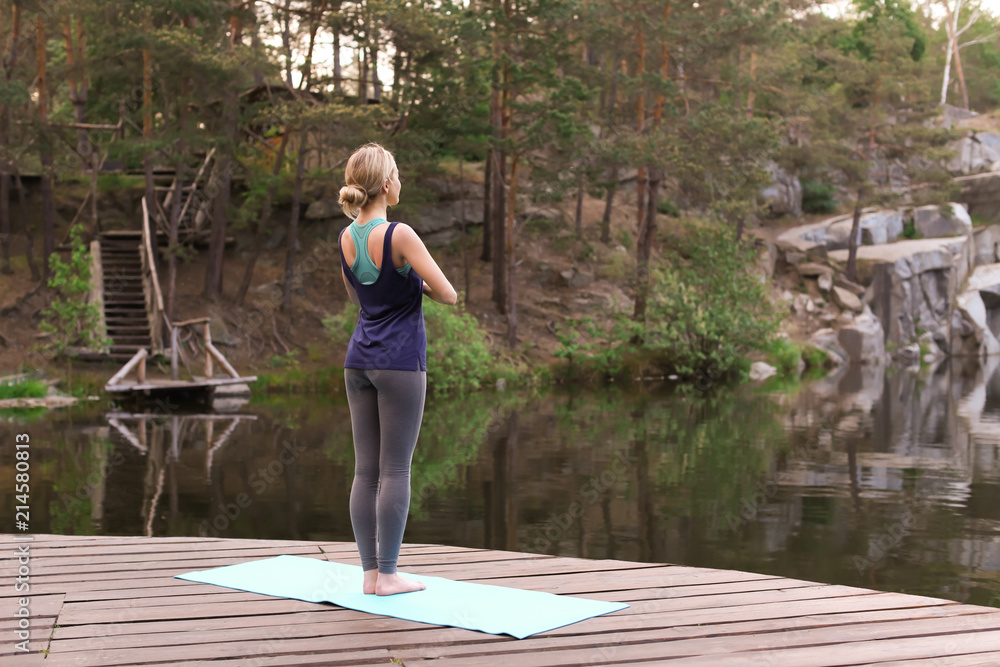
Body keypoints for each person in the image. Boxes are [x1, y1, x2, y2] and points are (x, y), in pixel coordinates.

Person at [337, 142, 458, 596]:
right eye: (399, 173)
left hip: (358, 360)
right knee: (395, 471)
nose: (401, 181)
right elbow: (448, 293)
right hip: (401, 363)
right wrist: (417, 284)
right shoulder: (400, 235)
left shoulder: (346, 238)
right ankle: (388, 574)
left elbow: (357, 299)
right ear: (386, 185)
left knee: (364, 471)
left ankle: (370, 575)